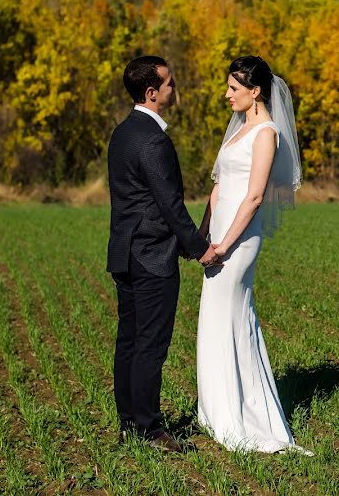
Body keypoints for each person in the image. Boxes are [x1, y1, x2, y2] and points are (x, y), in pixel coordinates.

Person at [196, 55, 311, 455]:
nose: (226, 95)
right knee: (214, 319)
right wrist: (203, 231)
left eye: (233, 88)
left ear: (255, 91)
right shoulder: (238, 130)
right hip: (217, 234)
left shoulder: (266, 133)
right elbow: (219, 184)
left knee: (233, 317)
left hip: (240, 240)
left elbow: (256, 195)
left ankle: (242, 416)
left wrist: (225, 244)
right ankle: (215, 410)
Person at [107, 56, 218, 452]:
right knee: (151, 345)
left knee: (129, 342)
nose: (175, 88)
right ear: (152, 93)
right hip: (151, 256)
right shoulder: (154, 140)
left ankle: (128, 423)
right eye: (170, 83)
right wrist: (200, 248)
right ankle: (152, 430)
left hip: (124, 252)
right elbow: (169, 205)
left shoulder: (122, 133)